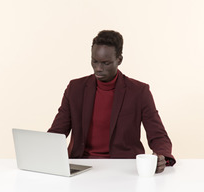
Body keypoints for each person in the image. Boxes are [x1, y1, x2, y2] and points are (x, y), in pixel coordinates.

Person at [48, 30, 175, 173]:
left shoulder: (139, 92)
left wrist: (161, 156)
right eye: (94, 61)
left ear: (119, 60)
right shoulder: (75, 88)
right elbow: (57, 132)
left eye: (105, 63)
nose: (98, 68)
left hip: (123, 168)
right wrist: (41, 151)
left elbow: (158, 135)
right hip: (80, 165)